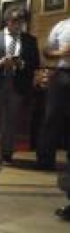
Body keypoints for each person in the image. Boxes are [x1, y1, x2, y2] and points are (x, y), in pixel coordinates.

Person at [0, 9, 39, 164]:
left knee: (11, 120)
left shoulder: (30, 40)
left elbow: (35, 63)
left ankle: (6, 154)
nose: (18, 25)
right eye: (15, 21)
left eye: (21, 22)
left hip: (17, 84)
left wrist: (21, 63)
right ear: (7, 21)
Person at [36, 15, 70, 172]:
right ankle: (45, 160)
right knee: (51, 117)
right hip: (62, 72)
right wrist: (60, 53)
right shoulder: (61, 26)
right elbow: (47, 52)